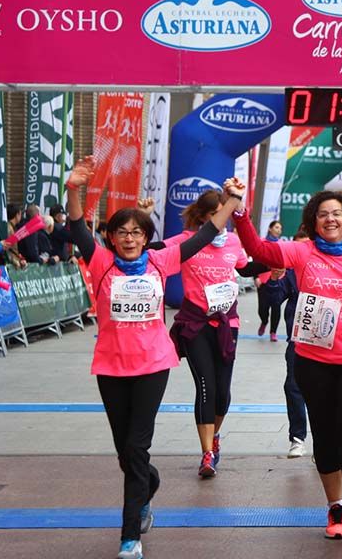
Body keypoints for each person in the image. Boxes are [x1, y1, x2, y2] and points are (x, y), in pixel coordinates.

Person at [65, 157, 244, 559]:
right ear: (111, 238)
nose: (129, 239)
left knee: (138, 446)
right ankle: (149, 484)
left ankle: (131, 535)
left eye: (136, 232)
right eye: (121, 233)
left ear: (146, 237)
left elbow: (205, 233)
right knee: (125, 452)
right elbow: (77, 228)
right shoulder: (101, 262)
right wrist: (73, 188)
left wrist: (231, 200)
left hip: (152, 365)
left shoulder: (163, 260)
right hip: (110, 366)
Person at [232, 187, 342, 546]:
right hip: (313, 360)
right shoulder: (302, 251)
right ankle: (335, 507)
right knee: (325, 434)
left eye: (337, 213)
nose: (330, 219)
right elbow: (258, 250)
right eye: (322, 214)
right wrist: (238, 211)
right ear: (313, 222)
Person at [165, 190, 264, 479]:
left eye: (227, 215)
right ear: (204, 217)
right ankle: (207, 453)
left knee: (223, 393)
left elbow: (245, 269)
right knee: (205, 387)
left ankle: (215, 435)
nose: (223, 221)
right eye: (216, 215)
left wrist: (274, 264)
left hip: (226, 326)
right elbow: (156, 249)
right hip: (194, 325)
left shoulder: (233, 242)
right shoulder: (187, 242)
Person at [279, 229, 309, 458]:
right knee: (293, 386)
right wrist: (272, 279)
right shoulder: (289, 272)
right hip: (298, 339)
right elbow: (273, 299)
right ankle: (297, 437)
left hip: (333, 342)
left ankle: (327, 440)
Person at [256, 221, 286, 340]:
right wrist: (256, 277)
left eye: (280, 228)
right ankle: (264, 321)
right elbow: (256, 260)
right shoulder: (262, 242)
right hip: (263, 280)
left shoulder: (282, 244)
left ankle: (273, 332)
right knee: (262, 309)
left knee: (276, 307)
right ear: (270, 229)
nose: (279, 230)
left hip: (278, 279)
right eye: (276, 227)